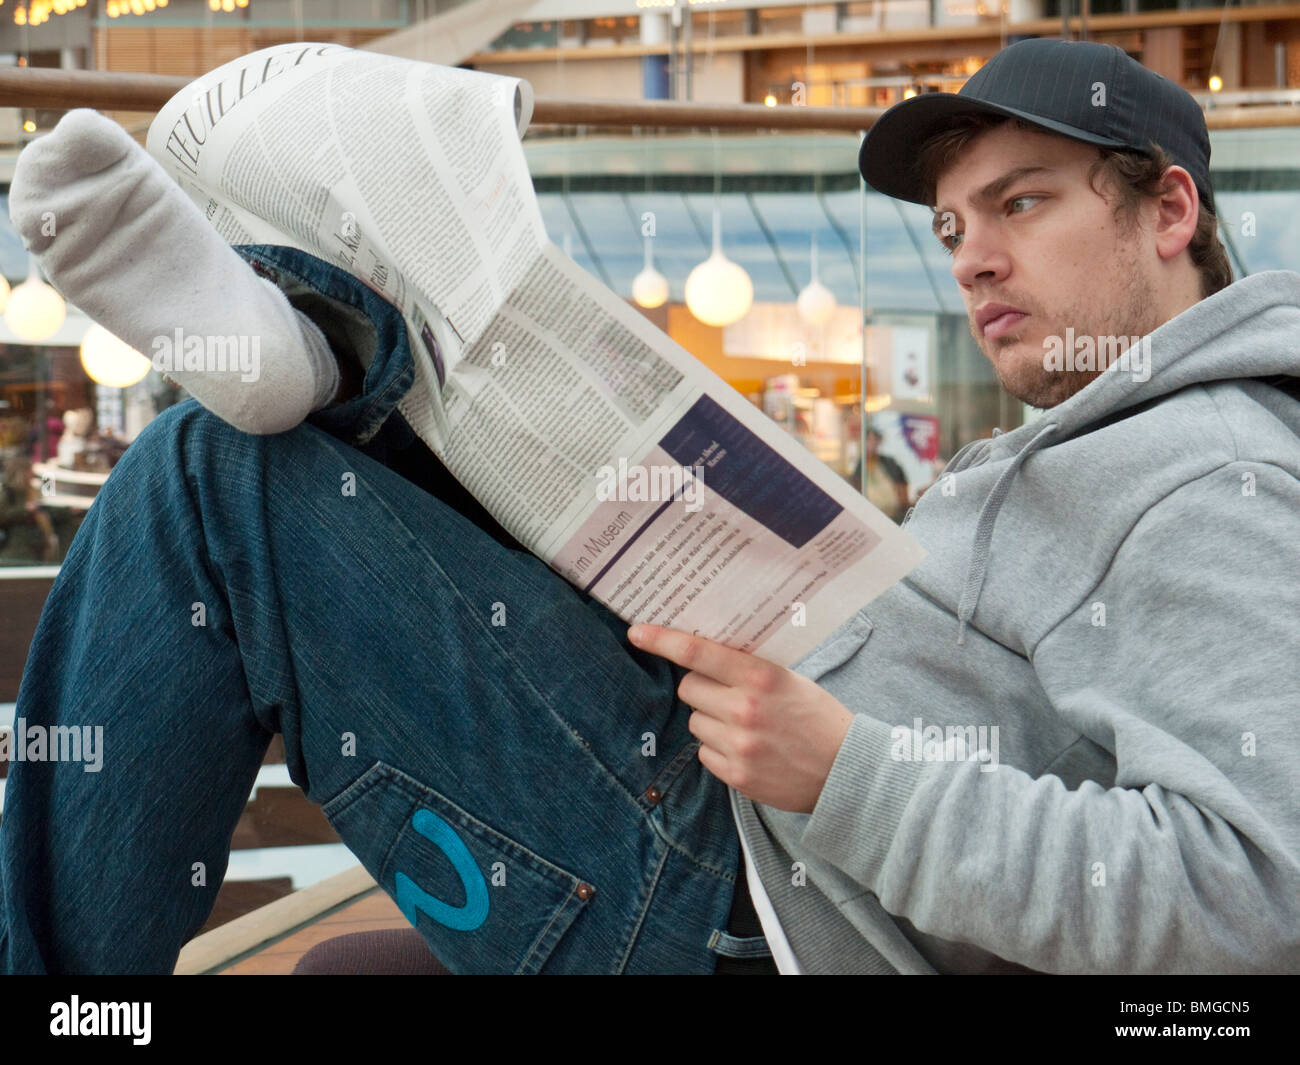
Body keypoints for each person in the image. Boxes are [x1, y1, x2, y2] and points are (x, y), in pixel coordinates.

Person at [2, 36, 1298, 975]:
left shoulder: (1207, 471)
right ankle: (330, 347)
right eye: (954, 227)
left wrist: (845, 775)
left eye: (1021, 204)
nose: (976, 260)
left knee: (213, 481)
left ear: (1169, 208)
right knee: (447, 426)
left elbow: (1250, 893)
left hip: (753, 895)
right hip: (738, 795)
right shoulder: (1086, 438)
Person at [851, 427, 910, 522]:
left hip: (893, 514)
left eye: (875, 440)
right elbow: (856, 488)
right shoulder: (860, 465)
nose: (872, 443)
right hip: (870, 516)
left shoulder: (889, 463)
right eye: (868, 440)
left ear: (879, 441)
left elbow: (902, 484)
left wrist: (903, 505)